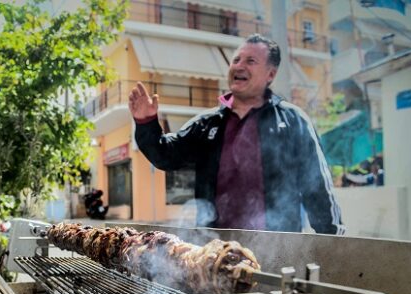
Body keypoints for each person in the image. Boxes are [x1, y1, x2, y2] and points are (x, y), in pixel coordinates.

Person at [129, 34, 344, 235]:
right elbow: (166, 156)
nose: (239, 66)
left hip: (277, 253)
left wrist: (334, 245)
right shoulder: (208, 123)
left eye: (251, 61)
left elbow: (317, 189)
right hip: (215, 253)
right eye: (236, 60)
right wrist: (146, 122)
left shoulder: (292, 121)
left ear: (270, 74)